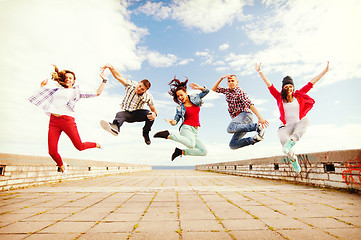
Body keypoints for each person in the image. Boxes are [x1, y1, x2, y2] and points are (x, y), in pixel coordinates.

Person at [29, 65, 106, 177]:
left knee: (79, 146)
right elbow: (42, 95)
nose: (68, 79)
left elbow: (97, 93)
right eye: (66, 77)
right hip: (53, 121)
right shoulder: (56, 90)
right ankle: (61, 165)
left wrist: (104, 80)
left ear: (74, 81)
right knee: (52, 151)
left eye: (70, 78)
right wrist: (42, 86)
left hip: (67, 121)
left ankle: (95, 144)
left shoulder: (76, 92)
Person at [255, 61, 329, 173]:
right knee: (285, 147)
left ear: (293, 88)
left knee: (306, 119)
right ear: (283, 88)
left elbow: (311, 82)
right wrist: (260, 72)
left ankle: (293, 140)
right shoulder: (278, 96)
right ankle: (294, 159)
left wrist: (325, 71)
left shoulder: (298, 95)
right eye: (286, 86)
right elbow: (269, 84)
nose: (289, 88)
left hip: (297, 125)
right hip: (285, 127)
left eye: (291, 86)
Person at [99, 64, 158, 145]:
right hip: (127, 114)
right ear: (138, 83)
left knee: (150, 114)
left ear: (145, 91)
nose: (139, 89)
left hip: (138, 114)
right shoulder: (130, 84)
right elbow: (118, 77)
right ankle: (115, 127)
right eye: (139, 86)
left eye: (142, 89)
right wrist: (111, 68)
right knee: (119, 114)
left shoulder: (148, 96)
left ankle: (145, 133)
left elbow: (154, 110)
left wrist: (154, 114)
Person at [154, 77, 209, 161]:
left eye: (181, 95)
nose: (179, 97)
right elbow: (176, 120)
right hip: (186, 128)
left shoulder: (195, 97)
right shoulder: (180, 108)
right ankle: (168, 135)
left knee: (203, 151)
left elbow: (206, 91)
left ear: (186, 93)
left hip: (194, 130)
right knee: (191, 145)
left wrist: (200, 88)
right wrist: (173, 122)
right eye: (178, 96)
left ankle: (180, 152)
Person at [212, 74, 269, 150]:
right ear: (227, 83)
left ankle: (257, 127)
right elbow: (214, 89)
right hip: (240, 122)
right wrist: (221, 78)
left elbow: (250, 105)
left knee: (230, 128)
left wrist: (260, 117)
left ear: (237, 82)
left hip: (245, 115)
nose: (231, 82)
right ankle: (254, 139)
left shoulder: (239, 92)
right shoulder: (227, 91)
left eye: (233, 81)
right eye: (229, 81)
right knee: (233, 145)